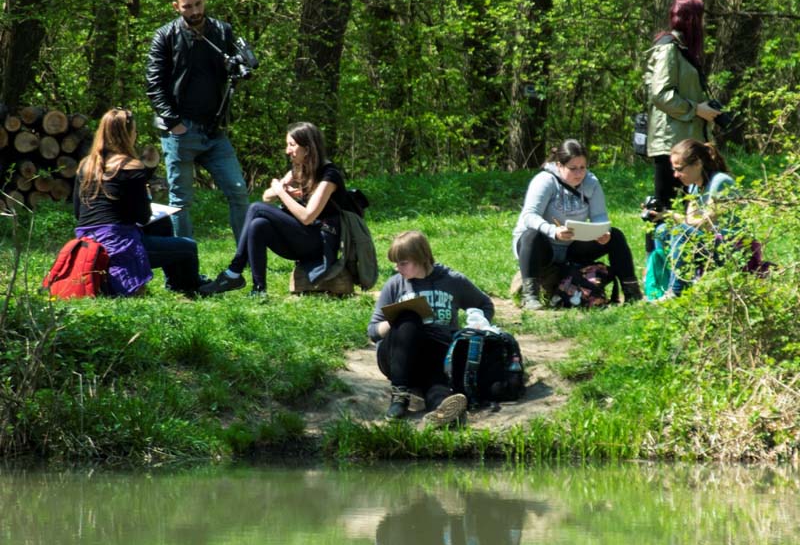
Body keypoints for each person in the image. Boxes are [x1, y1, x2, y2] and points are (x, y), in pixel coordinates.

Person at [145, 0, 250, 241]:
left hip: (215, 130)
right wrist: (173, 123)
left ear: (204, 0)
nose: (195, 11)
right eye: (187, 6)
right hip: (181, 130)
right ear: (176, 7)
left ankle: (245, 259)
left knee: (238, 190)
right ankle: (186, 266)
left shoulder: (222, 31)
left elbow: (240, 62)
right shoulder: (165, 36)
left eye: (198, 4)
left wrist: (241, 63)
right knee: (180, 201)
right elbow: (154, 84)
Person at [200, 122, 343, 299]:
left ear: (307, 149)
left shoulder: (329, 175)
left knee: (255, 208)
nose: (287, 151)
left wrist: (282, 192)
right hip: (302, 239)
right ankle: (259, 289)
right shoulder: (299, 169)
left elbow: (307, 217)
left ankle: (234, 271)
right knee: (258, 224)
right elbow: (267, 197)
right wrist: (283, 189)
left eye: (292, 145)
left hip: (320, 243)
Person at [73, 108, 205, 297]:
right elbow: (142, 217)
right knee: (189, 246)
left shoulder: (86, 165)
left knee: (162, 223)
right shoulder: (131, 166)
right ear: (128, 134)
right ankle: (190, 288)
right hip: (117, 246)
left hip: (87, 242)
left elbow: (78, 213)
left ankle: (175, 282)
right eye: (135, 131)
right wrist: (146, 195)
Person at [368, 230, 494, 424]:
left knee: (436, 384)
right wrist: (397, 319)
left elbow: (484, 305)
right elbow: (373, 331)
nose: (397, 268)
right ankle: (399, 396)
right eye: (396, 263)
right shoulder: (395, 285)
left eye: (403, 263)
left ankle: (443, 410)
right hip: (398, 356)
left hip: (438, 355)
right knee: (409, 316)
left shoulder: (452, 280)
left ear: (421, 258)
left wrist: (477, 323)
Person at [512, 138, 642, 310]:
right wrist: (552, 231)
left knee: (615, 236)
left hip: (571, 245)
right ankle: (530, 296)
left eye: (582, 167)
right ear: (559, 165)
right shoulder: (545, 181)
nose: (579, 173)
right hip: (541, 247)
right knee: (530, 235)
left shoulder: (591, 183)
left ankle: (632, 291)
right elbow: (529, 215)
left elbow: (600, 215)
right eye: (572, 168)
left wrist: (603, 232)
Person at [645, 0, 720, 212]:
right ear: (693, 19)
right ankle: (659, 248)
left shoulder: (684, 50)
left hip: (688, 141)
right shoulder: (668, 49)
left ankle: (693, 247)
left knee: (694, 208)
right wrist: (697, 109)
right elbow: (660, 94)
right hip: (671, 144)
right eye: (701, 17)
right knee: (668, 209)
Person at [655, 139, 737, 299]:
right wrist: (665, 215)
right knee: (662, 230)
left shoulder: (720, 182)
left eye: (679, 169)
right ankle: (661, 285)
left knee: (680, 231)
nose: (675, 175)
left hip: (730, 245)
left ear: (698, 163)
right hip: (709, 241)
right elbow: (691, 221)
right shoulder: (695, 185)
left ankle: (676, 292)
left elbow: (705, 224)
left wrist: (674, 216)